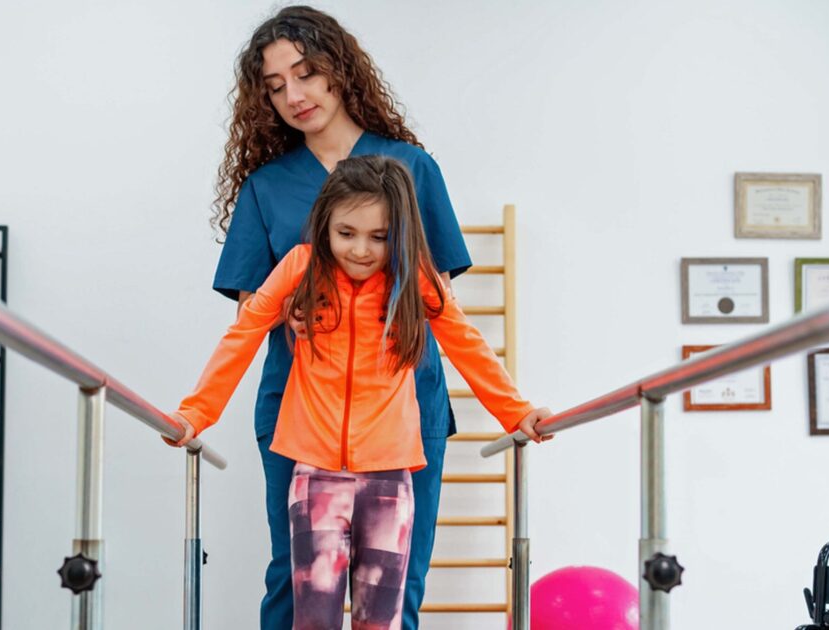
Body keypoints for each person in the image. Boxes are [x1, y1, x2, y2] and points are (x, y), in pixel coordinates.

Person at [172, 155, 550, 628]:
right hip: (316, 479)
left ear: (400, 234)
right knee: (314, 619)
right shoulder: (300, 267)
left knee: (380, 621)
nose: (361, 250)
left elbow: (467, 344)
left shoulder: (413, 279)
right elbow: (243, 336)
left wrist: (518, 414)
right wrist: (195, 414)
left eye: (379, 237)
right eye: (346, 233)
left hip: (390, 480)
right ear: (324, 223)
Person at [207, 6, 473, 628]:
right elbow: (251, 305)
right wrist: (286, 309)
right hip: (300, 410)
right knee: (294, 582)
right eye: (275, 87)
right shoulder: (266, 187)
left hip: (404, 406)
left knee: (397, 583)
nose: (294, 95)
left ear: (340, 70)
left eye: (307, 73)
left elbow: (438, 295)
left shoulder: (411, 167)